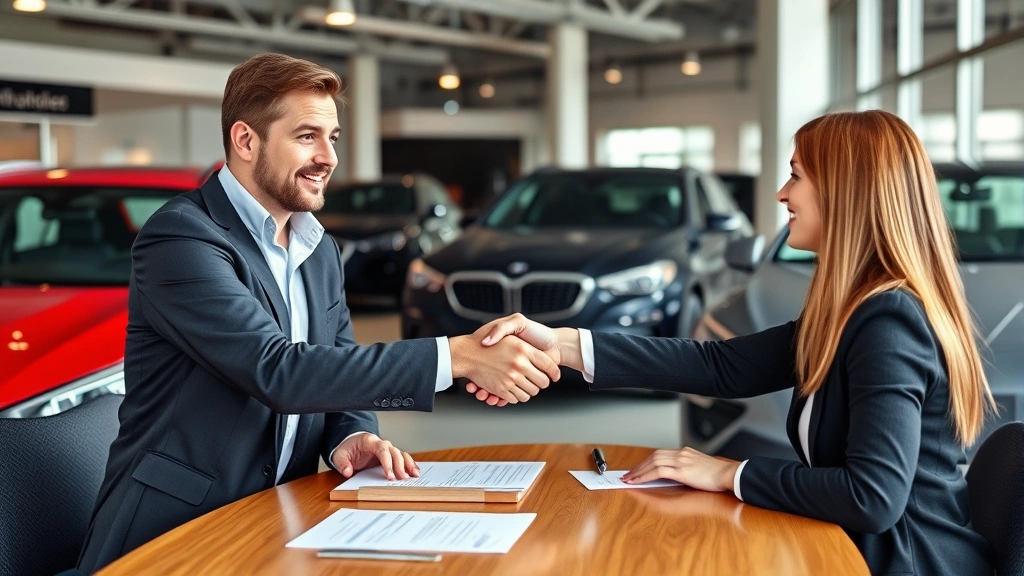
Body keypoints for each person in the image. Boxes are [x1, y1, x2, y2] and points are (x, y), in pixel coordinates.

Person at [77, 53, 558, 574]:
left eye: (333, 137)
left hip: (274, 522)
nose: (328, 157)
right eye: (307, 136)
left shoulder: (318, 248)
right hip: (174, 531)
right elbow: (278, 370)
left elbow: (336, 360)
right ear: (245, 141)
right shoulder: (183, 237)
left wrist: (351, 435)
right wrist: (456, 357)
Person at [472, 110, 996, 575]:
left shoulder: (887, 320)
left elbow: (872, 498)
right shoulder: (851, 310)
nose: (782, 193)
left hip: (905, 562)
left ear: (845, 189)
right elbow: (723, 366)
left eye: (796, 175)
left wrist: (728, 472)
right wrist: (562, 344)